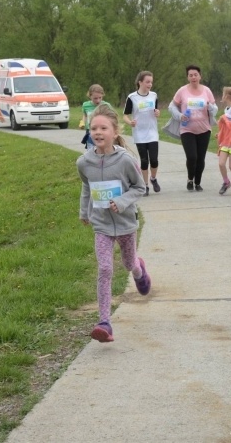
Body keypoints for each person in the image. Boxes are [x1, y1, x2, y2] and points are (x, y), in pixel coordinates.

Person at [76, 104, 151, 343]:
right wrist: (84, 211)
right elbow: (86, 186)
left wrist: (122, 200)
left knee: (128, 264)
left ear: (115, 131)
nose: (97, 132)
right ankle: (104, 322)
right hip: (102, 225)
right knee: (105, 269)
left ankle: (139, 269)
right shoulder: (84, 162)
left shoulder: (126, 160)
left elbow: (140, 187)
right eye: (93, 128)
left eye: (103, 128)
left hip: (126, 222)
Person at [169, 65, 217, 191]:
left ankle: (198, 182)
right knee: (192, 157)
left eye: (195, 75)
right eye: (190, 75)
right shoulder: (182, 91)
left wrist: (210, 107)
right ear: (188, 77)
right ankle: (190, 179)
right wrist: (180, 116)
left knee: (201, 158)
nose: (193, 77)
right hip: (187, 129)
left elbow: (215, 108)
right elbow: (172, 106)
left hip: (204, 129)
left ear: (200, 76)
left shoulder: (206, 91)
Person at [123, 71, 161, 197]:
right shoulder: (132, 97)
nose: (150, 84)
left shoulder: (154, 95)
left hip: (152, 132)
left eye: (151, 82)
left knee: (154, 160)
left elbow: (156, 111)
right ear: (140, 82)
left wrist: (157, 113)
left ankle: (153, 179)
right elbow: (125, 116)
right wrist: (130, 122)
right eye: (147, 82)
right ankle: (145, 185)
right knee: (144, 161)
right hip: (139, 133)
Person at [81, 84, 112, 149]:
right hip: (90, 130)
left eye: (100, 98)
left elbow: (112, 118)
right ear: (90, 96)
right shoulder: (85, 105)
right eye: (95, 98)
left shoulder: (106, 105)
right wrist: (82, 122)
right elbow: (85, 115)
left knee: (102, 148)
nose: (98, 100)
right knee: (91, 149)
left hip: (103, 131)